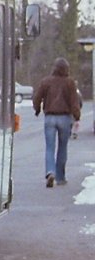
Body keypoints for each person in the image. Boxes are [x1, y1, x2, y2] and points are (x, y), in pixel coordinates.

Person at [32, 57, 83, 187]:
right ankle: (60, 177)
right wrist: (76, 116)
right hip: (65, 118)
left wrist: (37, 109)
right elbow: (74, 102)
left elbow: (37, 97)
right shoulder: (70, 83)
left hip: (49, 117)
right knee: (62, 147)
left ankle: (50, 172)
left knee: (49, 147)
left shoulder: (46, 81)